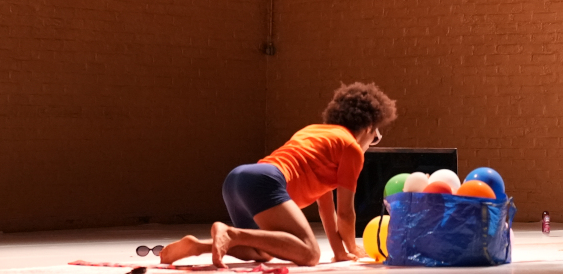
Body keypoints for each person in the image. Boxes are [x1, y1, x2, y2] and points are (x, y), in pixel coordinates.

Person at [160, 82, 397, 266]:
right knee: (310, 254)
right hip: (264, 181)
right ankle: (230, 233)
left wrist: (339, 252)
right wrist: (353, 248)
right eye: (375, 136)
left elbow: (327, 210)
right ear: (369, 127)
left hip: (237, 180)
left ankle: (198, 246)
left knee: (265, 251)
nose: (372, 142)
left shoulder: (316, 132)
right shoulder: (351, 148)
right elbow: (345, 213)